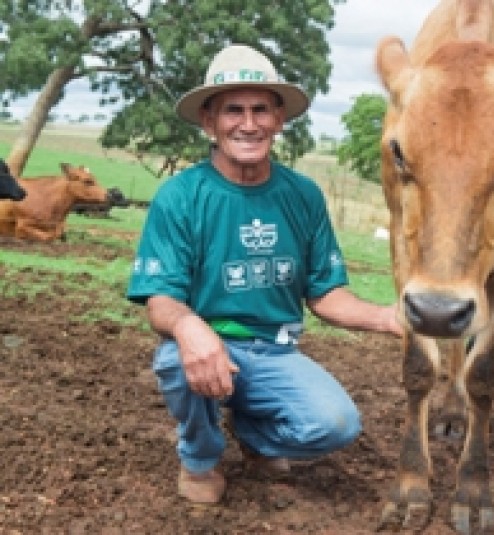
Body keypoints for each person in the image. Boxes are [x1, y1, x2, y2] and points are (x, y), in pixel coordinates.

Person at [127, 44, 403, 505]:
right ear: (208, 121)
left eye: (261, 110)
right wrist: (189, 325)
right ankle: (200, 458)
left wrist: (388, 318)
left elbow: (325, 293)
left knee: (337, 426)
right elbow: (161, 300)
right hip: (207, 346)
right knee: (176, 359)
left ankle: (255, 433)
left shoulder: (303, 196)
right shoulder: (181, 196)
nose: (249, 123)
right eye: (233, 110)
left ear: (280, 119)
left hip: (275, 352)